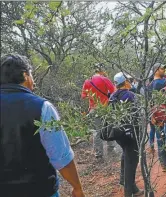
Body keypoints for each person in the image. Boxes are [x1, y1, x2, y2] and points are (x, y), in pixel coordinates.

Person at [0, 53, 85, 197]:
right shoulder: (41, 107)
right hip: (39, 191)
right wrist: (77, 188)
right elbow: (61, 155)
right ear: (25, 75)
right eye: (31, 75)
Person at [110, 72, 144, 197]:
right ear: (125, 82)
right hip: (131, 132)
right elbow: (137, 113)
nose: (131, 82)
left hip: (119, 133)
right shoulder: (130, 95)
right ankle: (128, 192)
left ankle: (130, 186)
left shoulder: (112, 96)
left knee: (126, 155)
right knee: (132, 160)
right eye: (129, 80)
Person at [81, 63, 116, 160]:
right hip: (106, 108)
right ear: (102, 70)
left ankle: (99, 154)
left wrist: (92, 97)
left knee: (96, 132)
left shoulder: (88, 80)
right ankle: (111, 149)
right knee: (109, 128)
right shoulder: (105, 79)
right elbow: (113, 92)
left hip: (94, 109)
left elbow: (83, 96)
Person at [147, 63, 166, 172]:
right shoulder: (162, 83)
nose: (164, 70)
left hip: (156, 116)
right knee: (164, 140)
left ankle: (164, 164)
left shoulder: (150, 84)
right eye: (162, 68)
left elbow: (149, 102)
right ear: (156, 70)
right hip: (164, 115)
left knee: (161, 140)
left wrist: (151, 116)